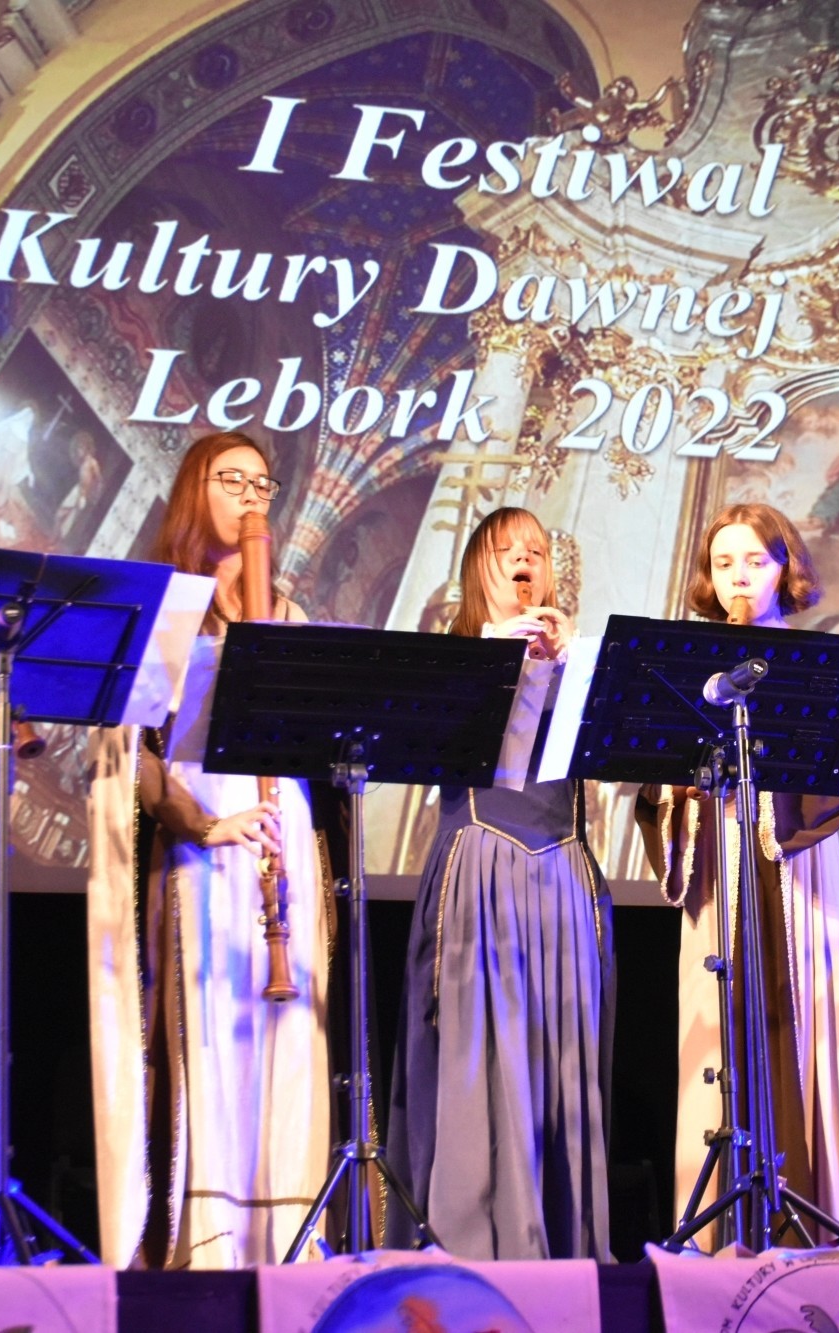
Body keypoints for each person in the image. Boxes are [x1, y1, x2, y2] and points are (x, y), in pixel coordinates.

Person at [84, 430, 332, 1268]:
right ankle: (212, 1245)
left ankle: (287, 1240)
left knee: (287, 1037)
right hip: (206, 841)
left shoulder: (287, 612)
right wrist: (200, 822)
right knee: (215, 1034)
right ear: (197, 490)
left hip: (281, 832)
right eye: (234, 480)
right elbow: (131, 754)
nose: (253, 496)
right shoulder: (167, 606)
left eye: (263, 483)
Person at [636, 502, 839, 1249]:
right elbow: (653, 778)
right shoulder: (687, 671)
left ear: (784, 569)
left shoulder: (818, 664)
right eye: (724, 563)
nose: (738, 576)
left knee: (802, 1020)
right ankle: (722, 1228)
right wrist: (678, 785)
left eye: (754, 561)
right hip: (718, 863)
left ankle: (815, 1217)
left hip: (794, 864)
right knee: (720, 1025)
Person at [384, 506, 615, 1260]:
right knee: (480, 1063)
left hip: (563, 879)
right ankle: (472, 1248)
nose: (526, 559)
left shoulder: (576, 664)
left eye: (538, 551)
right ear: (477, 568)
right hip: (482, 874)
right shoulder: (454, 659)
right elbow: (422, 750)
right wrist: (495, 658)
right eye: (507, 549)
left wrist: (568, 665)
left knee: (561, 1068)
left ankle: (562, 1246)